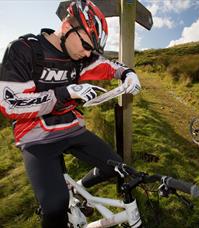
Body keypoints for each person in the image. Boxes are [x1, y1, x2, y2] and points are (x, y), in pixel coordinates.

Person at [0, 0, 141, 227]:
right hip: (36, 137)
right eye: (86, 45)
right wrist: (65, 92)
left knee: (116, 166)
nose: (87, 54)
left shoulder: (81, 57)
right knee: (55, 207)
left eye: (91, 49)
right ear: (67, 26)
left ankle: (78, 189)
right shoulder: (23, 49)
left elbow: (106, 64)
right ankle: (62, 198)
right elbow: (10, 105)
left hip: (71, 128)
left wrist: (127, 73)